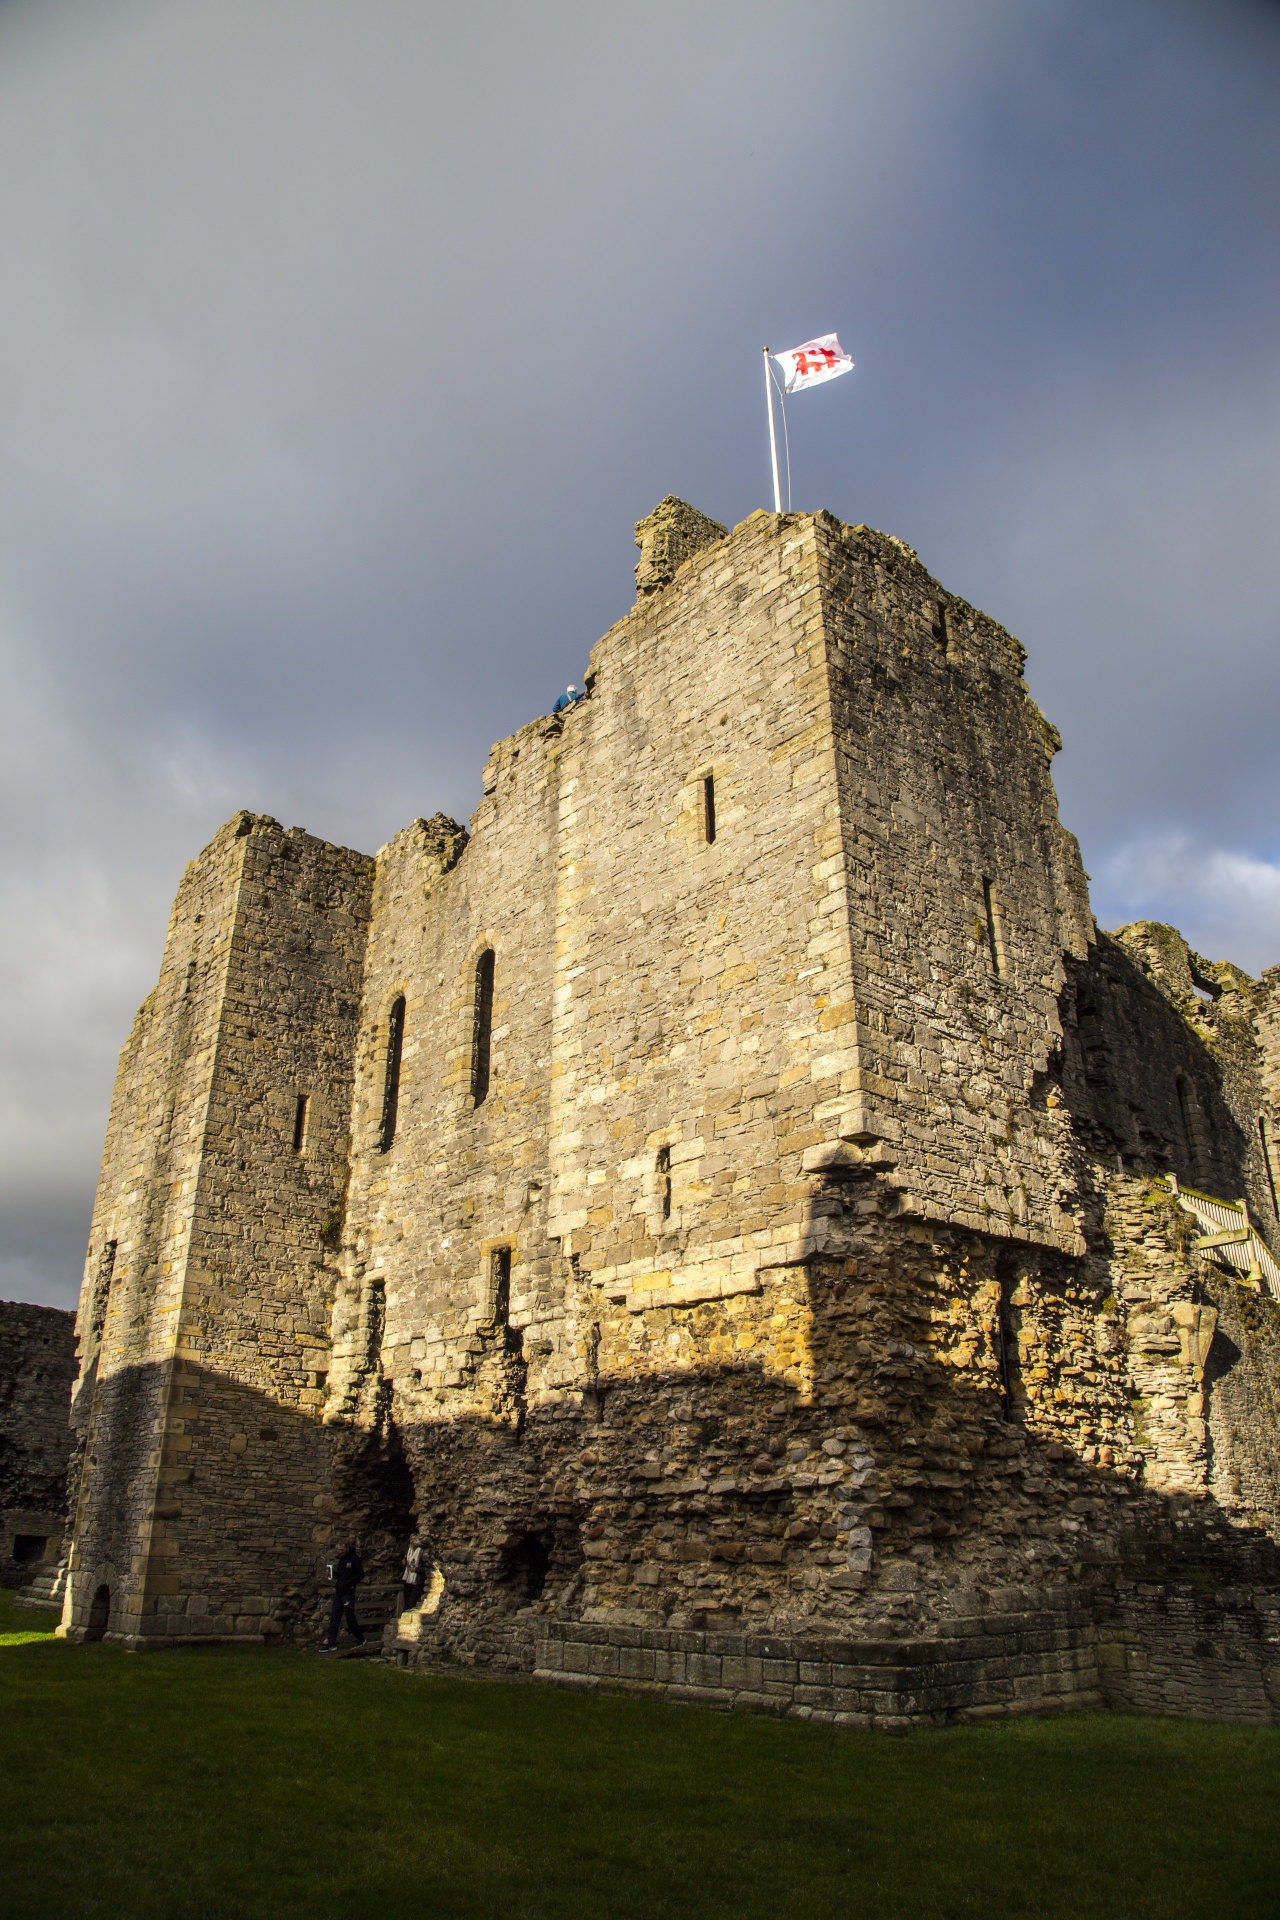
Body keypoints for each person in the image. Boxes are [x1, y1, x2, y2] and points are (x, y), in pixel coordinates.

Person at [321, 1540, 365, 1650]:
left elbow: (360, 1575)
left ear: (347, 1548)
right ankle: (331, 1643)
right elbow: (341, 1575)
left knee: (349, 1617)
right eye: (338, 1549)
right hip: (339, 1592)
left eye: (341, 1549)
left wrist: (349, 1584)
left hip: (348, 1593)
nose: (339, 1551)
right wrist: (331, 1574)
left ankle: (361, 1638)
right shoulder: (342, 1559)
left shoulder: (354, 1559)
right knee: (335, 1616)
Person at [401, 1530, 426, 1614]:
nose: (413, 1541)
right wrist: (404, 1561)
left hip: (417, 1581)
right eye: (411, 1539)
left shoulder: (422, 1552)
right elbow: (406, 1561)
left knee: (412, 1603)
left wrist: (416, 1569)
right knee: (406, 1602)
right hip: (407, 1579)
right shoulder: (408, 1551)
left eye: (415, 1539)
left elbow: (428, 1569)